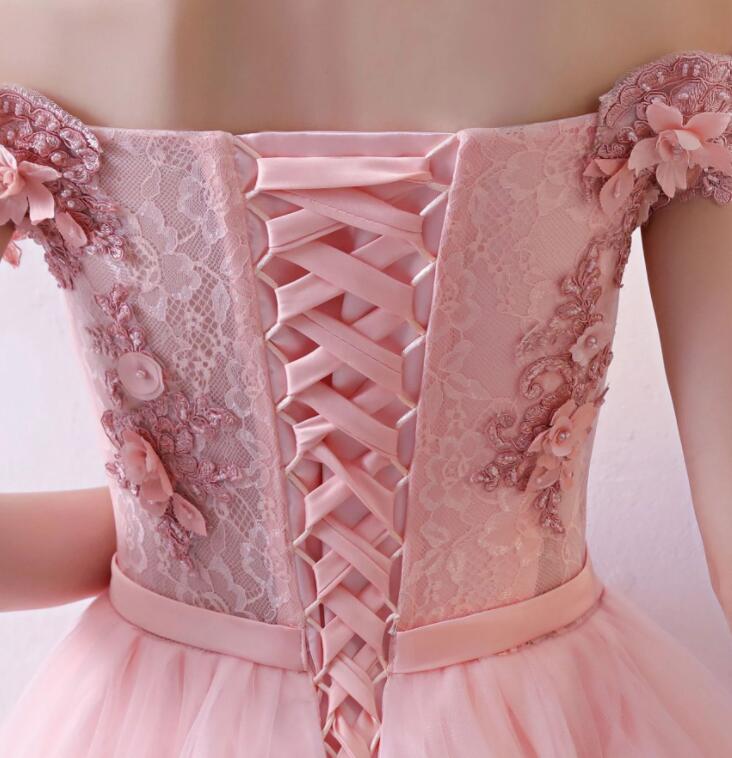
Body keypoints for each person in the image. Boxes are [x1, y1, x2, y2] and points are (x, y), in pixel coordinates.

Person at [0, 2, 731, 756]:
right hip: (538, 706)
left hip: (162, 712)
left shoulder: (29, 25)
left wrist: (191, 537)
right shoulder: (673, 13)